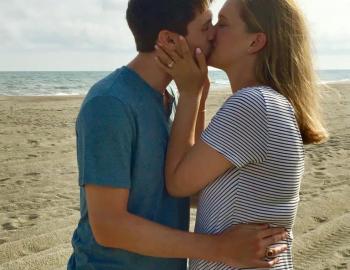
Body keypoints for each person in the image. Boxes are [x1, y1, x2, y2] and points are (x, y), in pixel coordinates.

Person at [67, 0, 289, 269]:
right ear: (169, 39)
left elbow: (185, 188)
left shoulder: (171, 98)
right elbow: (108, 226)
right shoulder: (111, 103)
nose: (214, 33)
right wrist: (220, 248)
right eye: (206, 26)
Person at [154, 0, 328, 269]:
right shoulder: (269, 104)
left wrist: (189, 94)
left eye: (222, 24)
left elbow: (178, 184)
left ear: (255, 42)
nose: (211, 32)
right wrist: (198, 94)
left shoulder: (253, 105)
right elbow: (196, 186)